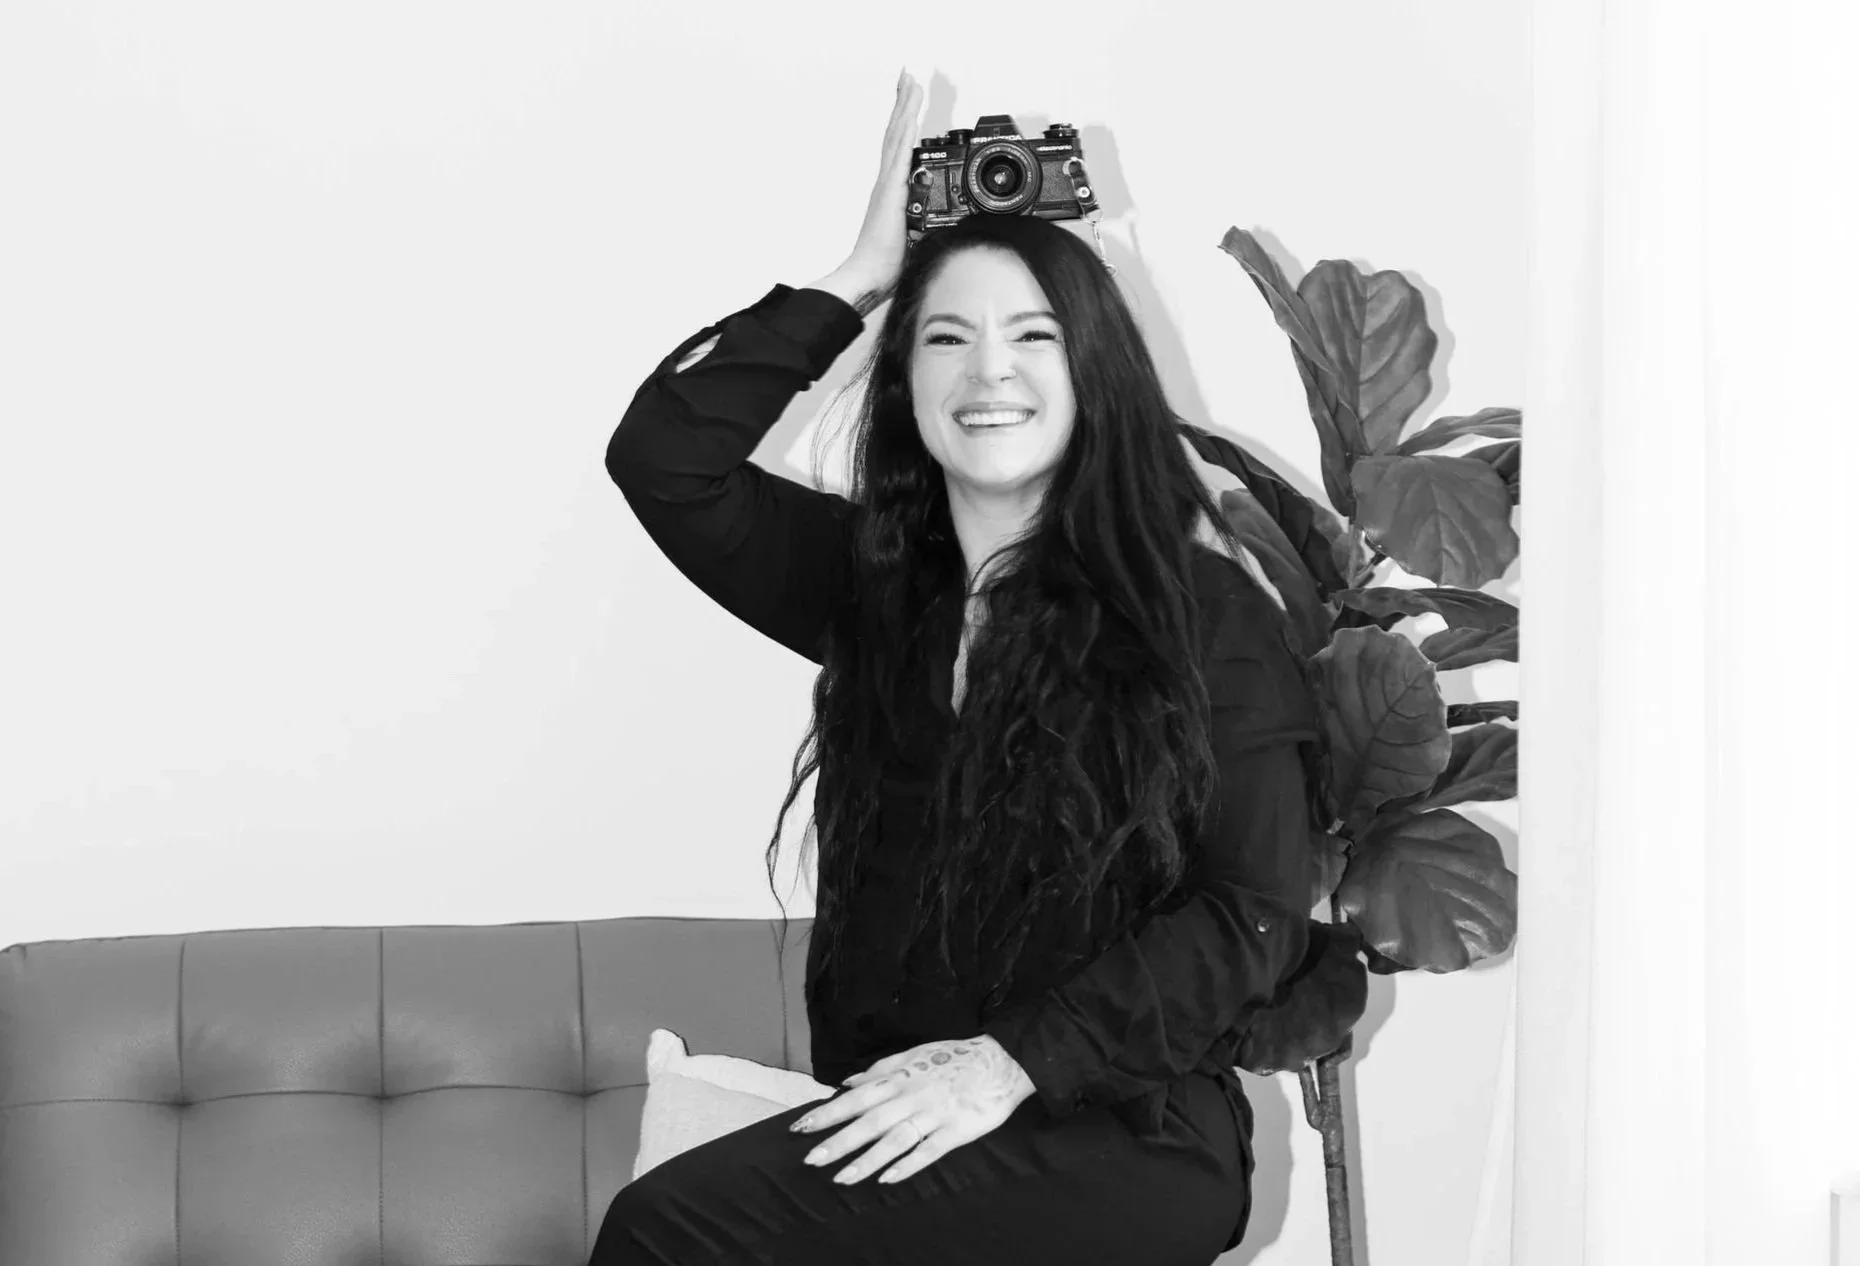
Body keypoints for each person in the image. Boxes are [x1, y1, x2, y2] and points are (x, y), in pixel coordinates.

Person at [591, 68, 1322, 1266]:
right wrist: (862, 275)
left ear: (1095, 375)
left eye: (1036, 335)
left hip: (1121, 1131)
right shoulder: (874, 592)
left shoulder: (1196, 611)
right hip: (910, 1129)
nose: (991, 372)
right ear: (907, 383)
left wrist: (1006, 1069)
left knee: (670, 1231)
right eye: (948, 337)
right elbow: (666, 457)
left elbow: (1249, 915)